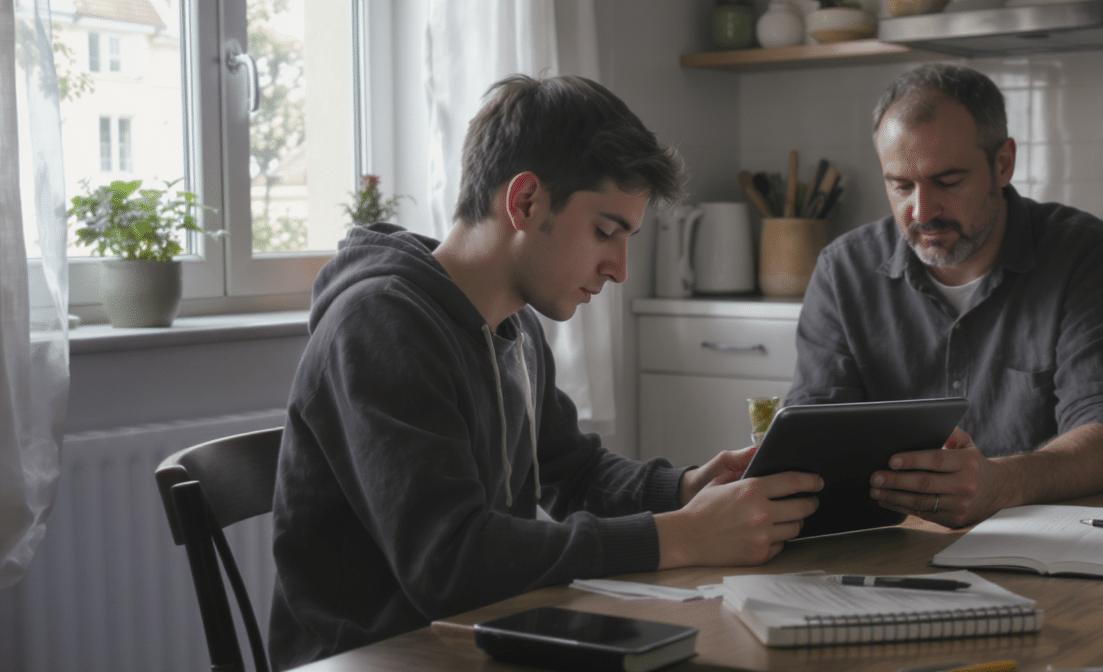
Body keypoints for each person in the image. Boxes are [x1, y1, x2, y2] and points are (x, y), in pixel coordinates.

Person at [269, 75, 822, 669]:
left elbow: (573, 472)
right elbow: (449, 561)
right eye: (606, 231)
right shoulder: (380, 323)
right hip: (376, 657)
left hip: (485, 636)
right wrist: (682, 534)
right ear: (525, 201)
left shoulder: (514, 326)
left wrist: (686, 490)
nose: (619, 268)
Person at [786, 63, 1103, 530]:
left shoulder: (1086, 255)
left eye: (948, 181)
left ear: (1003, 164)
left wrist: (1002, 483)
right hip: (892, 546)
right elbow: (812, 435)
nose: (922, 211)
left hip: (1046, 538)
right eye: (900, 185)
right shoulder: (844, 271)